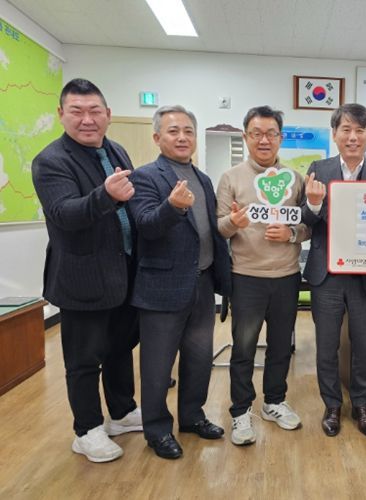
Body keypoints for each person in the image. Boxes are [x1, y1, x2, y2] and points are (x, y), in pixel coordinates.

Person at [31, 78, 142, 463]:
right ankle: (87, 430)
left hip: (123, 272)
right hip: (81, 277)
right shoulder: (51, 161)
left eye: (95, 111)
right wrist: (106, 195)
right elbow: (64, 213)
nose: (87, 119)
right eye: (76, 111)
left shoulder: (116, 149)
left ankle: (122, 412)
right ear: (61, 115)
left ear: (108, 114)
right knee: (83, 359)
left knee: (119, 348)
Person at [128, 105, 231, 459]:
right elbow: (145, 225)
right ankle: (157, 430)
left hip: (201, 284)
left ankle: (192, 416)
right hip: (161, 288)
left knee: (199, 358)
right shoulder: (145, 177)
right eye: (173, 131)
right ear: (157, 137)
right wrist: (172, 207)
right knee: (157, 366)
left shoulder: (203, 179)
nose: (182, 137)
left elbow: (211, 231)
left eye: (188, 131)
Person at [216, 106, 310, 445]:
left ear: (281, 138)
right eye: (256, 133)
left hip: (286, 276)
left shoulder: (295, 179)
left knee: (281, 346)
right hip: (246, 277)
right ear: (246, 137)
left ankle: (274, 402)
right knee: (243, 348)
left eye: (271, 133)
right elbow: (219, 228)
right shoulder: (231, 178)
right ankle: (241, 411)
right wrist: (233, 223)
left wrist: (291, 234)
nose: (264, 140)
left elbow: (308, 225)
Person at [302, 103, 366, 437]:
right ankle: (331, 405)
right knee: (326, 346)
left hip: (365, 277)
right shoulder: (319, 168)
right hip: (327, 274)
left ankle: (361, 404)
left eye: (360, 130)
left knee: (363, 345)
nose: (353, 137)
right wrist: (313, 203)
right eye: (346, 130)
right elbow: (305, 220)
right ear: (335, 134)